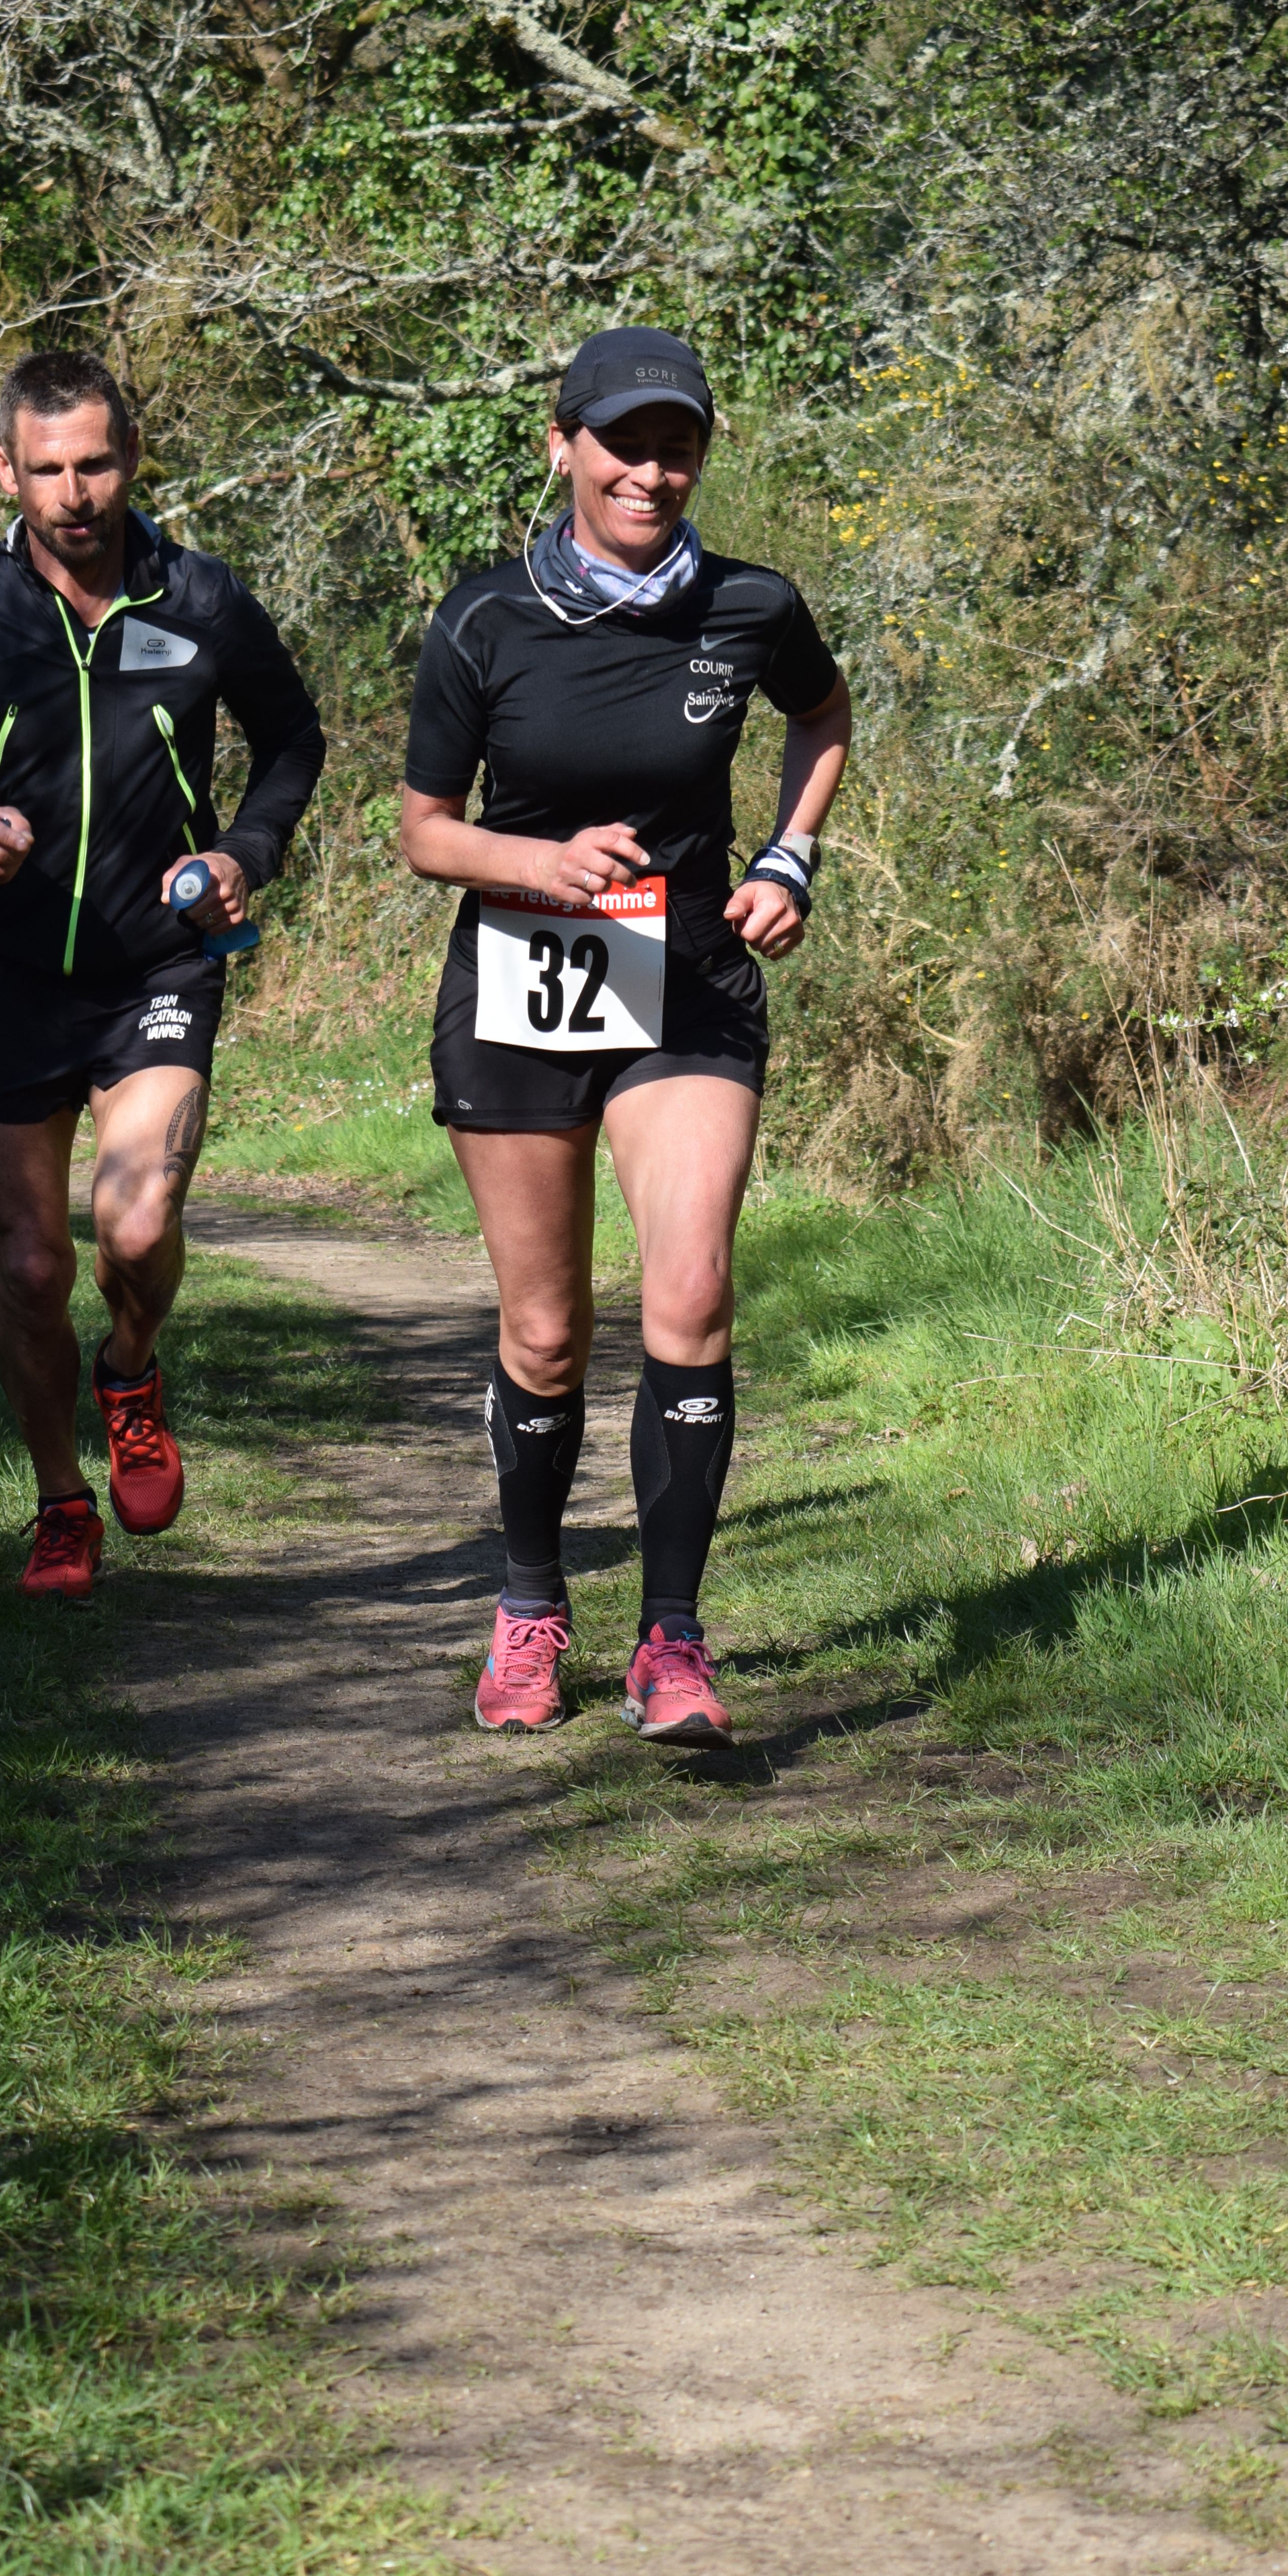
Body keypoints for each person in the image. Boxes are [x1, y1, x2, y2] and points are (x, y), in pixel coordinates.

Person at [398, 324, 852, 1743]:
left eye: (677, 447)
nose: (650, 473)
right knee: (544, 1332)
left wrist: (788, 859)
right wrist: (534, 863)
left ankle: (674, 1640)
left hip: (690, 979)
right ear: (563, 449)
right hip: (523, 979)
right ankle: (531, 1605)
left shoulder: (750, 604)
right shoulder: (485, 617)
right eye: (622, 445)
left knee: (692, 1294)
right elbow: (424, 830)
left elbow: (822, 713)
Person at [0, 348, 325, 1598]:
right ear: (4, 469)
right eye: (47, 470)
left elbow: (292, 740)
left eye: (95, 465)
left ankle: (129, 1370)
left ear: (131, 457)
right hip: (12, 972)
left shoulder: (201, 596)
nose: (73, 495)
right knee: (31, 1266)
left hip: (156, 964)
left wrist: (244, 851)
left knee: (133, 1225)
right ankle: (59, 1503)